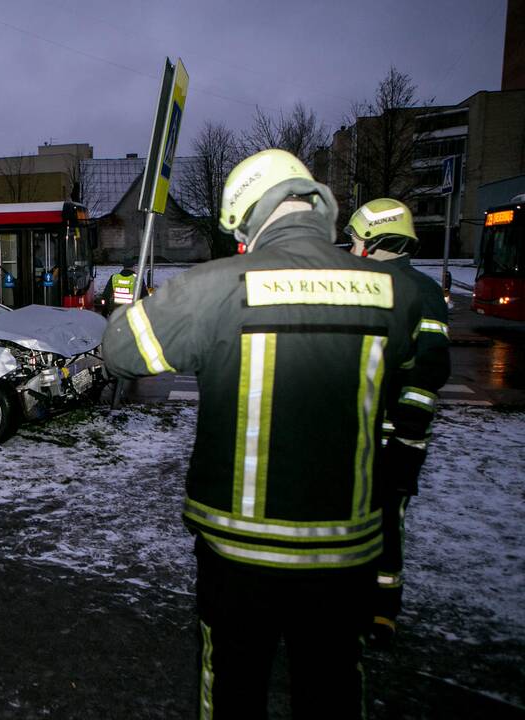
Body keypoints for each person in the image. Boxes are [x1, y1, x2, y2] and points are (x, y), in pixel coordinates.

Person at [102, 149, 423, 718]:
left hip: (239, 553)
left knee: (234, 693)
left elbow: (121, 352)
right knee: (331, 695)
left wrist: (128, 302)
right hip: (345, 554)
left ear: (251, 216)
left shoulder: (215, 286)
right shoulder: (393, 293)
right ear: (315, 205)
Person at [346, 198, 451, 647]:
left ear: (374, 241)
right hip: (374, 435)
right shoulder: (386, 286)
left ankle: (380, 611)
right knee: (379, 523)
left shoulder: (414, 292)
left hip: (389, 437)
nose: (350, 248)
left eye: (354, 240)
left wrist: (406, 433)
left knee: (382, 522)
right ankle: (369, 609)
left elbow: (428, 371)